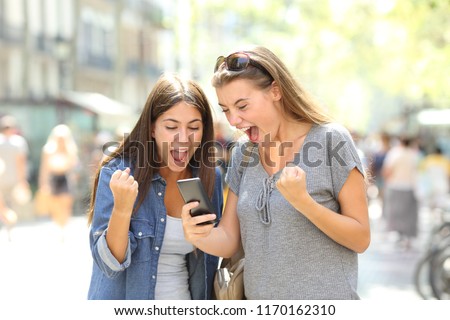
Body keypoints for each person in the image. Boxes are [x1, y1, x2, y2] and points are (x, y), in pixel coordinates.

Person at [182, 46, 370, 300]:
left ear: (275, 91)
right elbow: (230, 240)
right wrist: (199, 234)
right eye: (226, 109)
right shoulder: (243, 154)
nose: (234, 120)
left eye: (242, 106)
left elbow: (361, 238)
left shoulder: (331, 141)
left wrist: (303, 202)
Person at [87, 73, 223, 300]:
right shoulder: (118, 173)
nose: (183, 138)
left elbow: (210, 259)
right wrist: (122, 209)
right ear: (152, 128)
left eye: (194, 127)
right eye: (171, 126)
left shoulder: (210, 178)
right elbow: (109, 265)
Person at [38, 124, 79, 238]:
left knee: (66, 204)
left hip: (66, 178)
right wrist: (43, 184)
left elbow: (75, 166)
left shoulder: (71, 150)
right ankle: (59, 227)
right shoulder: (48, 150)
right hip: (53, 178)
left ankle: (64, 227)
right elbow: (44, 168)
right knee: (55, 205)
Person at [382, 136, 420, 249]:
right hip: (409, 186)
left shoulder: (394, 153)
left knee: (395, 211)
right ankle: (407, 236)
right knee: (408, 213)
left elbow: (387, 170)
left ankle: (397, 234)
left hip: (395, 185)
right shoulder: (413, 155)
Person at [0, 115, 30, 240]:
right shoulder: (18, 142)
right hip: (15, 179)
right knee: (13, 204)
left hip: (2, 178)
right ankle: (10, 225)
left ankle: (7, 224)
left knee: (3, 205)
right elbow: (21, 163)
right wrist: (23, 180)